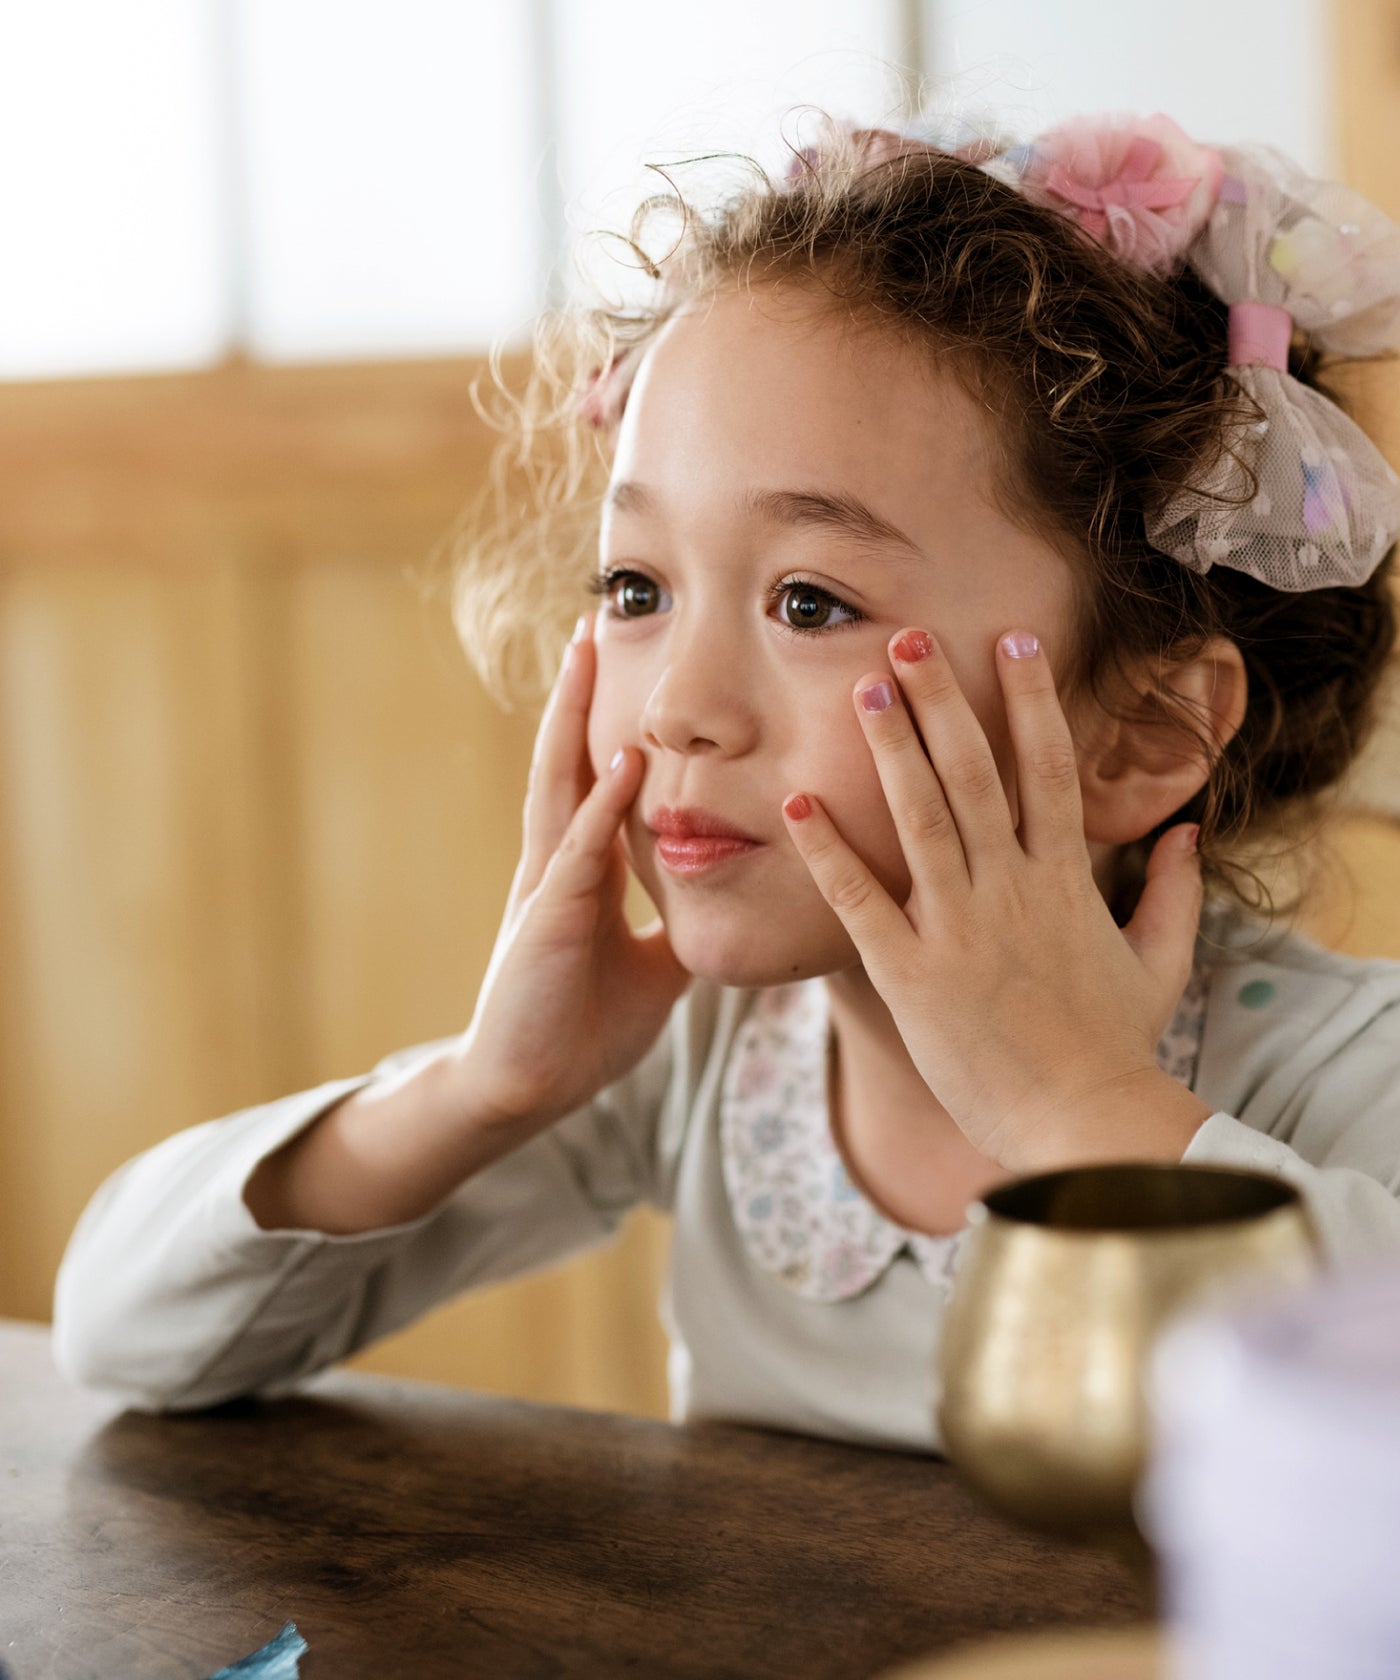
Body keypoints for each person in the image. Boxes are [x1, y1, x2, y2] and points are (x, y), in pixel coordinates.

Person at [52, 111, 1400, 1451]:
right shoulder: (710, 1060)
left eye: (810, 604)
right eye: (635, 588)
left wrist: (1079, 1111)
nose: (683, 710)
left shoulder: (1338, 1078)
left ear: (1143, 732)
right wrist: (481, 1091)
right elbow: (124, 1329)